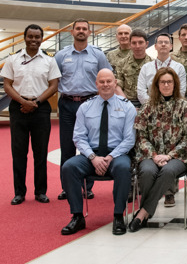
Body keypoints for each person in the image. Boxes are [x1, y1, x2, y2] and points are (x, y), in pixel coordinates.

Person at [60, 69, 136, 236]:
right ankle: (77, 216)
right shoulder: (85, 107)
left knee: (124, 168)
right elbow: (79, 137)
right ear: (96, 84)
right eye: (101, 82)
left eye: (109, 81)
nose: (105, 84)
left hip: (117, 155)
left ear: (115, 83)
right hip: (91, 155)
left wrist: (109, 157)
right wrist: (93, 158)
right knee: (68, 167)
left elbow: (129, 140)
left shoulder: (127, 107)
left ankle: (118, 216)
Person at [129, 68, 187, 232]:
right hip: (150, 155)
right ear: (156, 85)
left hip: (178, 156)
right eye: (163, 82)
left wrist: (169, 155)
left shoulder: (184, 106)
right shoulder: (148, 106)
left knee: (167, 172)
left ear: (175, 84)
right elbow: (141, 136)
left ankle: (143, 213)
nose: (166, 85)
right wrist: (154, 155)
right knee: (146, 172)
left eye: (169, 82)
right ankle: (147, 211)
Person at [2, 24, 61, 205]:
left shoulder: (49, 60)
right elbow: (7, 85)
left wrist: (35, 103)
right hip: (18, 108)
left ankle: (40, 192)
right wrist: (23, 102)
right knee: (19, 152)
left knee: (40, 152)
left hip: (41, 108)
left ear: (42, 39)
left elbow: (53, 85)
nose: (34, 40)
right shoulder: (13, 59)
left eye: (37, 37)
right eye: (30, 36)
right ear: (24, 37)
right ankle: (19, 192)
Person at [55, 18, 112, 200]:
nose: (81, 31)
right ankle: (68, 187)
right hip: (67, 104)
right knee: (67, 146)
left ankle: (87, 186)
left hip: (90, 104)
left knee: (90, 145)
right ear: (71, 32)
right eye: (77, 28)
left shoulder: (98, 55)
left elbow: (107, 77)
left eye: (84, 29)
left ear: (89, 33)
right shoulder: (61, 55)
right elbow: (54, 80)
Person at [137, 33, 186, 105]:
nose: (163, 44)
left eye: (166, 42)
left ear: (171, 46)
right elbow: (141, 92)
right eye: (160, 42)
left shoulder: (179, 67)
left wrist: (170, 108)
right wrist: (152, 106)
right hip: (151, 108)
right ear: (155, 46)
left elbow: (181, 91)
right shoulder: (146, 67)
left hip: (174, 109)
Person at [114, 29, 152, 108]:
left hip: (149, 103)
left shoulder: (154, 64)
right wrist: (127, 105)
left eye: (140, 42)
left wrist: (149, 106)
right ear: (130, 44)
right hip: (126, 102)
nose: (137, 46)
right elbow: (117, 85)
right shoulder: (122, 64)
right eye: (134, 43)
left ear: (146, 44)